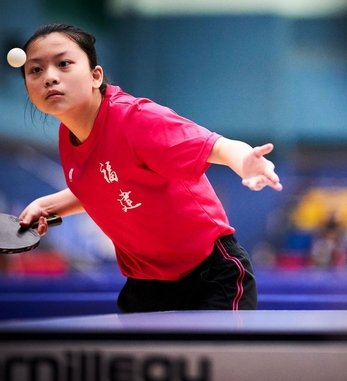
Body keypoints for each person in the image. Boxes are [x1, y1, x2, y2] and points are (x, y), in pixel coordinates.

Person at [18, 23, 282, 312]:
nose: (50, 78)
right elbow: (102, 187)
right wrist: (47, 204)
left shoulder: (137, 119)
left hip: (209, 277)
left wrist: (245, 162)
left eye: (64, 63)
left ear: (96, 76)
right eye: (36, 70)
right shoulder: (69, 136)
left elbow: (219, 146)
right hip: (145, 285)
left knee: (222, 359)